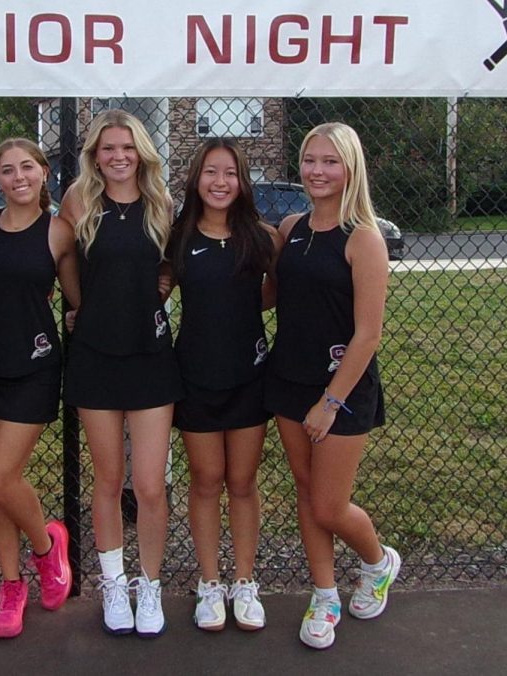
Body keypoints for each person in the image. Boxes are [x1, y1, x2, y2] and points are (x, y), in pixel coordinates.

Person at [263, 122, 400, 651]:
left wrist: (330, 401)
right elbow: (269, 296)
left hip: (341, 389)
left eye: (330, 162)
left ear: (350, 169)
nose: (317, 171)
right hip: (288, 378)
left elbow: (368, 334)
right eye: (310, 160)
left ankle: (377, 561)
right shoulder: (291, 227)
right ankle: (324, 594)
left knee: (328, 505)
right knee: (306, 491)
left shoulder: (364, 238)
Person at [59, 109, 182, 637]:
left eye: (127, 147)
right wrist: (81, 306)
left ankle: (149, 586)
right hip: (95, 357)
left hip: (151, 358)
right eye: (108, 148)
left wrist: (159, 291)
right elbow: (66, 264)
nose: (118, 156)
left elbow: (171, 263)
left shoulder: (162, 203)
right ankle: (114, 582)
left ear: (141, 153)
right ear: (95, 154)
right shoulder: (79, 200)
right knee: (107, 481)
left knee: (150, 485)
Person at [0, 138, 82, 639]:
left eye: (28, 168)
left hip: (33, 366)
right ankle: (11, 586)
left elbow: (78, 303)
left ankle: (47, 549)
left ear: (43, 174)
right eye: (8, 170)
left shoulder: (58, 232)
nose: (19, 177)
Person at [163, 138, 278, 633]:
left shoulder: (261, 237)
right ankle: (211, 583)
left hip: (248, 377)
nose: (220, 182)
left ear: (242, 180)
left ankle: (245, 581)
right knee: (206, 480)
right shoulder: (178, 236)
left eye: (230, 173)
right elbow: (156, 289)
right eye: (211, 172)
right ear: (196, 179)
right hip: (196, 377)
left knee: (243, 482)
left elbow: (274, 294)